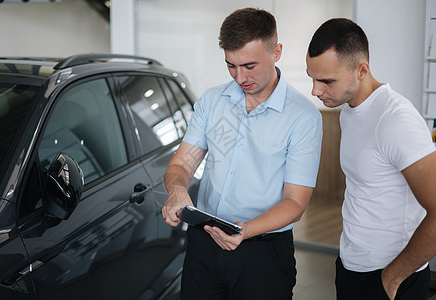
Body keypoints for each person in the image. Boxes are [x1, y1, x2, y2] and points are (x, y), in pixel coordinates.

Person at [162, 7, 322, 300]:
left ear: (277, 52)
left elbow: (295, 202)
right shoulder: (213, 101)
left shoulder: (302, 117)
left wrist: (243, 230)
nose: (240, 77)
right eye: (230, 66)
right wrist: (176, 191)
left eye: (249, 66)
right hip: (204, 245)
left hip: (263, 254)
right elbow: (182, 165)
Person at [306, 18, 436, 300]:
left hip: (390, 278)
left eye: (326, 81)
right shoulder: (349, 111)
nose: (315, 91)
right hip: (351, 268)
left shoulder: (396, 119)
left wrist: (391, 279)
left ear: (361, 70)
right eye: (312, 78)